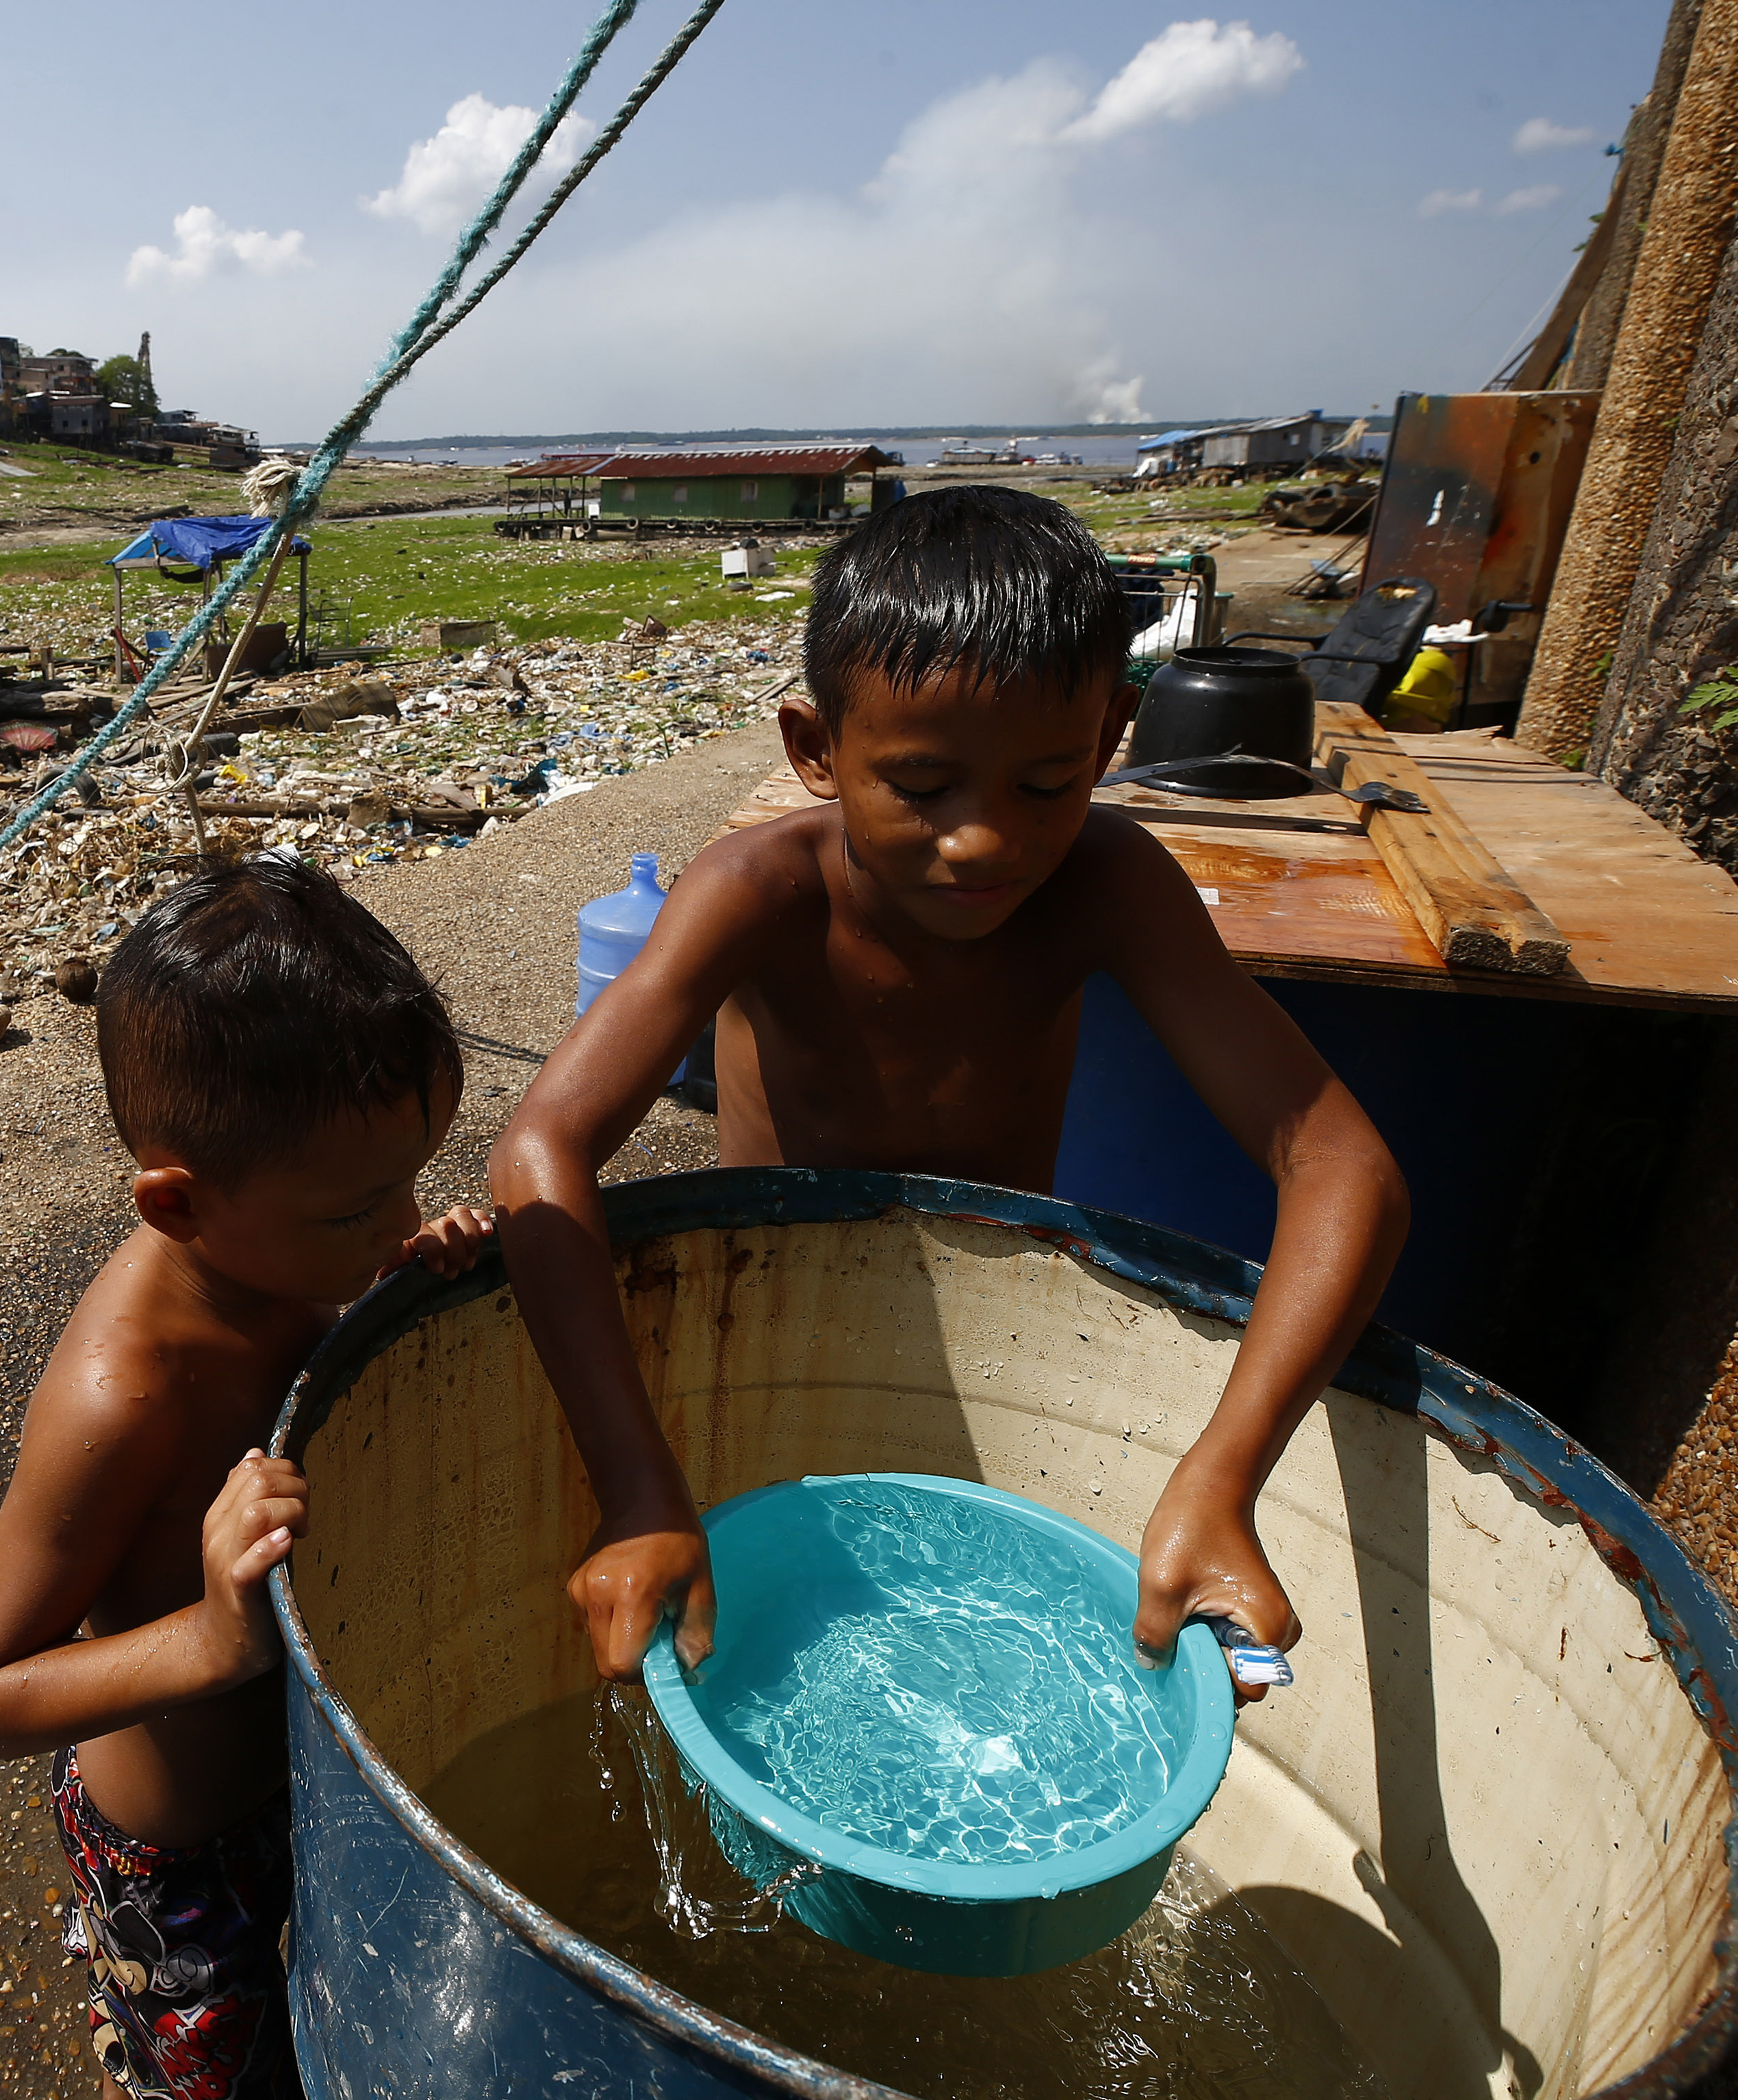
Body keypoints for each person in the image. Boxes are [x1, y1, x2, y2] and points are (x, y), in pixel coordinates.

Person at [487, 485, 1408, 1700]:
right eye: (922, 787)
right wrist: (638, 1483)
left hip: (996, 1333)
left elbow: (1341, 1165)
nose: (982, 842)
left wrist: (1221, 1478)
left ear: (1114, 734)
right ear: (815, 749)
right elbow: (539, 1143)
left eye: (1043, 784)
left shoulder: (1108, 882)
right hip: (770, 1315)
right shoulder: (759, 890)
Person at [0, 858, 500, 2100]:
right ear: (177, 1204)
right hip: (176, 1855)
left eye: (413, 1178)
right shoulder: (123, 1396)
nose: (397, 1222)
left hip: (309, 1777)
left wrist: (415, 1258)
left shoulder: (292, 1258)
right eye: (361, 1209)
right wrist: (209, 1635)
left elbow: (357, 1240)